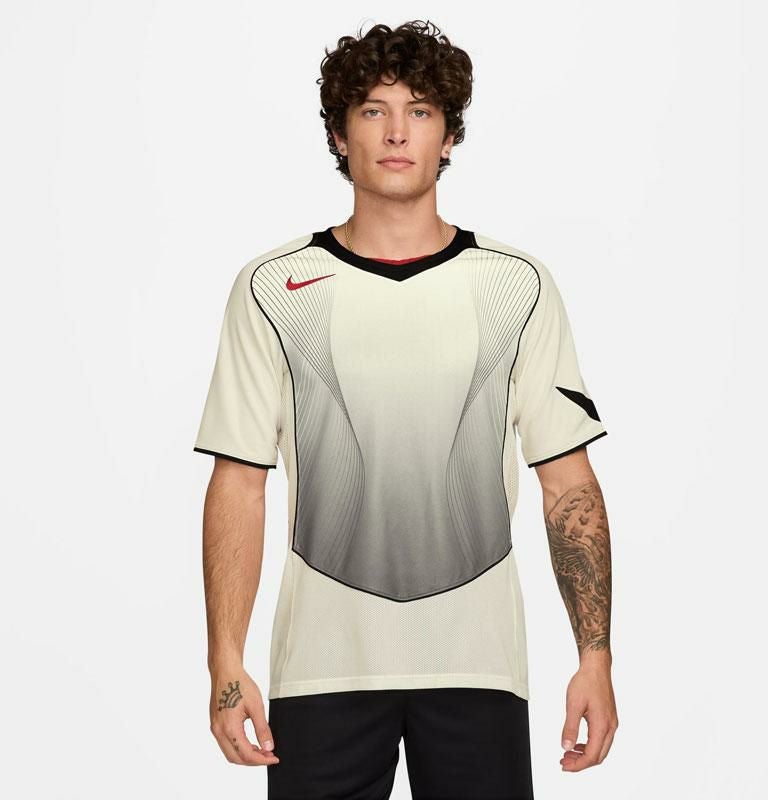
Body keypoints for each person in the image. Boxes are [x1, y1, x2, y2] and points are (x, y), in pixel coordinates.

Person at [193, 19, 618, 799]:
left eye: (420, 111)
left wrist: (595, 658)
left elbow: (568, 485)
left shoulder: (516, 285)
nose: (396, 132)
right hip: (321, 669)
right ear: (339, 133)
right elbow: (240, 482)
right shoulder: (271, 289)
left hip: (478, 668)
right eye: (373, 110)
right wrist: (226, 663)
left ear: (449, 135)